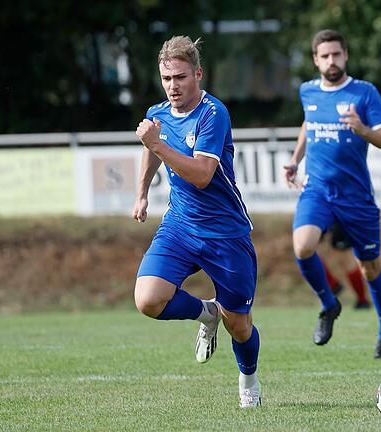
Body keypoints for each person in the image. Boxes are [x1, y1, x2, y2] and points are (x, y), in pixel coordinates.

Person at [132, 36, 262, 408]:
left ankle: (248, 379)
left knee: (239, 324)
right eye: (167, 78)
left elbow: (203, 174)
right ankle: (207, 312)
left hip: (225, 233)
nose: (173, 86)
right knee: (148, 300)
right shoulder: (158, 113)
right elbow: (151, 155)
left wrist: (157, 144)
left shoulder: (213, 113)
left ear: (198, 74)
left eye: (180, 77)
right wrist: (142, 193)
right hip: (180, 226)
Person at [283, 29, 381, 358]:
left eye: (336, 54)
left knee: (370, 267)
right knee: (302, 246)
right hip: (317, 190)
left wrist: (362, 130)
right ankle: (329, 303)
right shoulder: (307, 91)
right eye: (325, 56)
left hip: (355, 196)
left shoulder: (364, 93)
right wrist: (294, 160)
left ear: (345, 55)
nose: (331, 61)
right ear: (316, 60)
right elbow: (308, 124)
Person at [320, 224, 372, 309]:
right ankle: (333, 284)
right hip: (319, 214)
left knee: (346, 258)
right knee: (309, 250)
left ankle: (362, 300)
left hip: (340, 217)